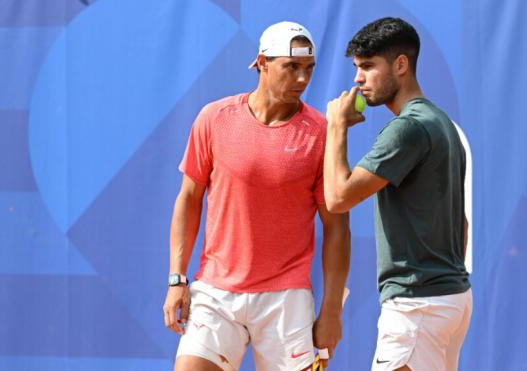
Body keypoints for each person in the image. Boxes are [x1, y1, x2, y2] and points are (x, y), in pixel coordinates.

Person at [163, 21, 350, 371]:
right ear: (262, 62)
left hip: (287, 300)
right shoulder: (214, 118)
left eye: (309, 69)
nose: (302, 79)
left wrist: (332, 312)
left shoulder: (321, 133)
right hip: (217, 293)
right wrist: (177, 279)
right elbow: (189, 199)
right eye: (291, 67)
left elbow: (337, 228)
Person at [324, 17, 472, 371]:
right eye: (357, 68)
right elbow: (461, 224)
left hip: (417, 306)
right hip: (450, 300)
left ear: (401, 65)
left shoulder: (406, 128)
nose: (358, 79)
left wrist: (336, 127)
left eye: (368, 67)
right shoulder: (441, 123)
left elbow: (337, 198)